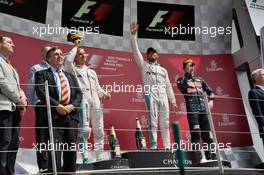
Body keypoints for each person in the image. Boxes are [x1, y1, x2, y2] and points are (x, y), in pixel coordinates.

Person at [130, 22, 178, 149]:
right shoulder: (144, 66)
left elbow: (168, 86)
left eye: (153, 52)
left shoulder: (164, 70)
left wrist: (173, 101)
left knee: (166, 122)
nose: (150, 54)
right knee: (153, 122)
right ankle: (154, 145)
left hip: (163, 96)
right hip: (150, 94)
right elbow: (135, 52)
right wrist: (133, 36)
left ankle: (168, 146)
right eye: (148, 53)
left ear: (157, 55)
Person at [35, 47, 81, 173]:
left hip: (71, 117)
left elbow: (79, 93)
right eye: (56, 54)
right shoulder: (41, 74)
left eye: (61, 54)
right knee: (54, 151)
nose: (60, 56)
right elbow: (40, 92)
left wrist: (73, 106)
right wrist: (57, 106)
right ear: (48, 59)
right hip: (54, 117)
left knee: (70, 152)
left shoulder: (70, 75)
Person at [64, 45, 111, 163]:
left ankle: (99, 155)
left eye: (84, 53)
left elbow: (98, 88)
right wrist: (75, 46)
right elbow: (68, 60)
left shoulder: (92, 72)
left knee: (99, 129)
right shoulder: (72, 69)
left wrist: (104, 94)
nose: (83, 55)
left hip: (95, 101)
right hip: (82, 99)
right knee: (84, 129)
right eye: (80, 54)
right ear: (75, 57)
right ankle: (84, 156)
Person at [176, 58, 216, 160]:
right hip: (192, 111)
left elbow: (210, 91)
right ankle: (196, 156)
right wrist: (187, 75)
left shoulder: (200, 79)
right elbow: (182, 88)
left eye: (193, 65)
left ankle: (210, 155)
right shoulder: (180, 80)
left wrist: (211, 101)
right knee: (196, 134)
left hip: (203, 110)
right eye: (189, 65)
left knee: (207, 134)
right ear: (184, 68)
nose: (192, 66)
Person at [0, 36, 28, 175]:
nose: (13, 45)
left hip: (15, 108)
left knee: (13, 144)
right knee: (4, 143)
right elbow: (2, 82)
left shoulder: (8, 64)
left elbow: (16, 87)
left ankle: (9, 172)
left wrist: (23, 97)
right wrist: (18, 98)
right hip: (3, 108)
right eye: (9, 42)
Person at [26, 46, 51, 172]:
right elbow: (30, 89)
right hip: (41, 105)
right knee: (42, 136)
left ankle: (53, 164)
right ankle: (43, 166)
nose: (50, 53)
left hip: (56, 106)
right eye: (47, 51)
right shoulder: (36, 68)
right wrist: (35, 104)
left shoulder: (59, 69)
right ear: (42, 54)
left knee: (55, 136)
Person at [248, 69, 264, 147]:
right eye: (263, 74)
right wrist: (263, 125)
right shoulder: (253, 92)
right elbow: (257, 111)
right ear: (256, 78)